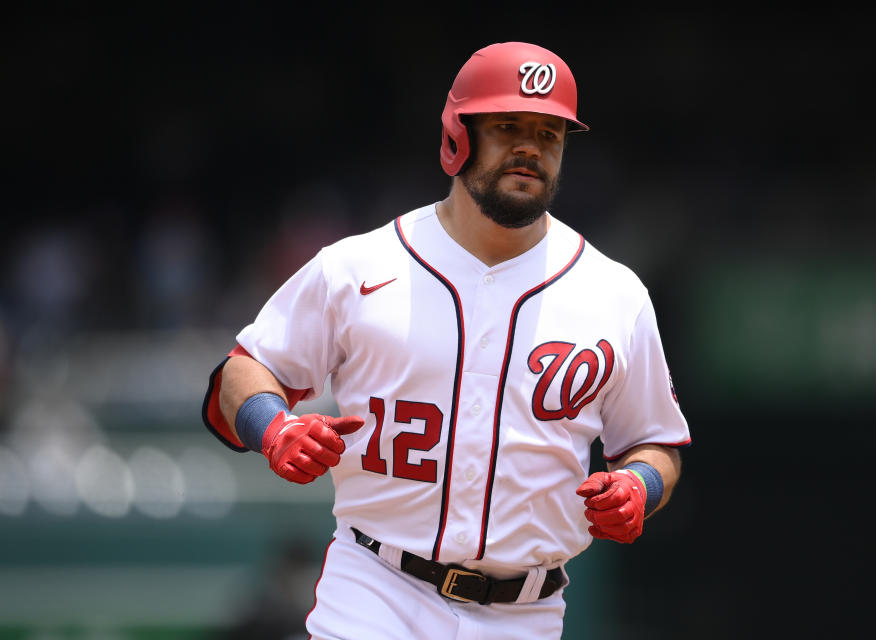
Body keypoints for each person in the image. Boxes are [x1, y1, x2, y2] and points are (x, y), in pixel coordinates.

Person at [202, 41, 692, 640]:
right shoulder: (359, 266)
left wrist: (638, 484)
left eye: (549, 133)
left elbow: (654, 443)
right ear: (458, 137)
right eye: (508, 126)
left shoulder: (614, 293)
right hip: (375, 593)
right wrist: (272, 427)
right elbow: (244, 370)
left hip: (528, 613)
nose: (530, 148)